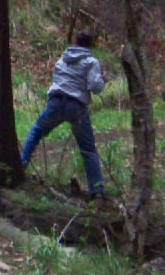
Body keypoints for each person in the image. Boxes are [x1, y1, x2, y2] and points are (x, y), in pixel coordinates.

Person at [20, 30, 106, 198]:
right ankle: (97, 190)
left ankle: (21, 164)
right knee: (88, 149)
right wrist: (102, 80)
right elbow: (95, 87)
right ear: (91, 44)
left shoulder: (62, 60)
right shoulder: (91, 62)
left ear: (75, 42)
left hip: (56, 102)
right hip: (76, 106)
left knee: (36, 131)